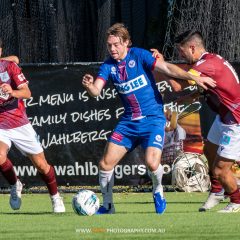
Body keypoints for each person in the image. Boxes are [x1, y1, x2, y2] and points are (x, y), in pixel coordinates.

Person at [82, 23, 215, 215]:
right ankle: (108, 206)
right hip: (128, 122)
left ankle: (158, 190)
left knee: (152, 164)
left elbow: (167, 68)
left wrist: (194, 78)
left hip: (153, 119)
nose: (112, 49)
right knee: (105, 164)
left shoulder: (139, 55)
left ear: (127, 43)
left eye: (116, 44)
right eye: (109, 45)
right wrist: (89, 86)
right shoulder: (108, 66)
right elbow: (96, 91)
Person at [165, 30, 240, 213]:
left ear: (192, 48)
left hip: (235, 122)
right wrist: (190, 97)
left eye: (181, 51)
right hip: (223, 118)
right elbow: (209, 88)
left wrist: (158, 64)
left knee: (221, 170)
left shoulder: (205, 65)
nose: (180, 55)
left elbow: (176, 86)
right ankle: (217, 191)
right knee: (209, 150)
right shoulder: (209, 60)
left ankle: (236, 201)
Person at [0, 38, 65, 213]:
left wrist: (12, 91)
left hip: (19, 123)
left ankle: (55, 197)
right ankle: (15, 184)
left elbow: (27, 92)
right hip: (0, 125)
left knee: (42, 166)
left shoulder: (9, 67)